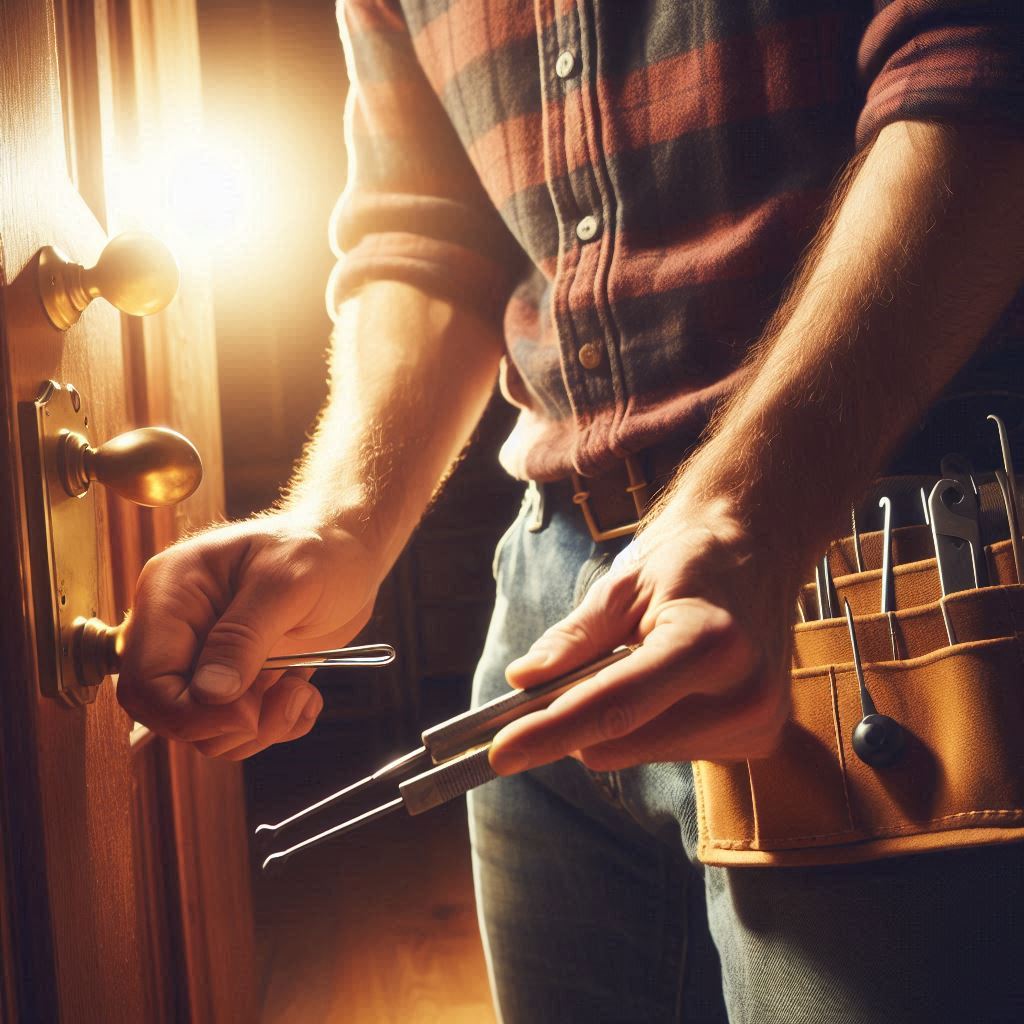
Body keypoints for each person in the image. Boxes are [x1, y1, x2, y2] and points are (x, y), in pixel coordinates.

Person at [118, 2, 1024, 1020]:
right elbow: (424, 228)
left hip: (872, 553)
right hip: (550, 580)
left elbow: (974, 70)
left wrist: (749, 506)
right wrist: (338, 522)